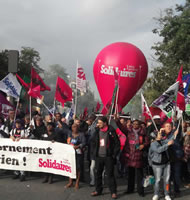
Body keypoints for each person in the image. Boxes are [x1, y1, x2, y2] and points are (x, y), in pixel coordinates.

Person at [91, 116, 120, 199]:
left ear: (105, 123)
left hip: (108, 157)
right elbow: (92, 142)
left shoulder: (111, 131)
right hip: (99, 156)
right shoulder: (96, 131)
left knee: (110, 175)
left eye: (100, 123)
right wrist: (94, 153)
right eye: (98, 123)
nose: (98, 124)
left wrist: (113, 154)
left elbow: (117, 144)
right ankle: (98, 190)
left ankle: (113, 192)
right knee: (97, 174)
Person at [123, 119, 149, 197]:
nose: (135, 125)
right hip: (130, 155)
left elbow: (147, 141)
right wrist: (117, 120)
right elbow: (121, 127)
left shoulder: (143, 133)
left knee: (139, 175)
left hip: (138, 155)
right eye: (133, 124)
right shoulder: (129, 131)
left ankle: (140, 191)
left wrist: (143, 145)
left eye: (137, 124)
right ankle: (130, 189)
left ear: (139, 125)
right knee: (130, 174)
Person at [149, 128, 176, 200]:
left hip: (167, 163)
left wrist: (174, 133)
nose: (161, 134)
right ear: (155, 136)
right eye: (159, 134)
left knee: (167, 180)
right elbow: (159, 150)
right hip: (157, 165)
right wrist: (167, 144)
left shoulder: (163, 141)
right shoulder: (153, 144)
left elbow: (170, 140)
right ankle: (156, 194)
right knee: (157, 180)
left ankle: (167, 194)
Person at [66, 123, 86, 189]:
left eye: (76, 127)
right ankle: (70, 182)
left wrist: (78, 146)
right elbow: (68, 141)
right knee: (70, 167)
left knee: (78, 168)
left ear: (78, 127)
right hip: (71, 153)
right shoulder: (70, 134)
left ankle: (77, 182)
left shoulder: (81, 134)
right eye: (73, 127)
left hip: (78, 153)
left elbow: (84, 143)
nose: (74, 128)